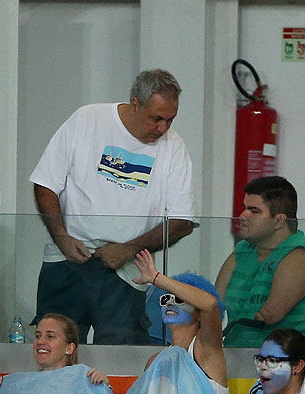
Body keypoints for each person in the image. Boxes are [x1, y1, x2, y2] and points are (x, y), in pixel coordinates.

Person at [30, 69, 197, 345]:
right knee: (55, 351)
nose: (163, 128)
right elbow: (45, 184)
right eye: (156, 118)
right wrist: (61, 237)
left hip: (125, 271)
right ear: (135, 103)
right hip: (66, 260)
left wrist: (128, 249)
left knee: (121, 358)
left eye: (170, 120)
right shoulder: (88, 119)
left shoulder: (174, 147)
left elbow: (182, 221)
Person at [218, 176, 305, 349]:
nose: (242, 216)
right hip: (247, 360)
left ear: (279, 220)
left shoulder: (300, 254)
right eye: (244, 208)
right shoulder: (243, 250)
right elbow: (213, 303)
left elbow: (269, 315)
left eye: (254, 211)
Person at [132, 251, 229, 394]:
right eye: (165, 298)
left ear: (199, 314)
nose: (170, 303)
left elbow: (210, 305)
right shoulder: (155, 360)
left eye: (178, 299)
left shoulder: (207, 349)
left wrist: (156, 278)